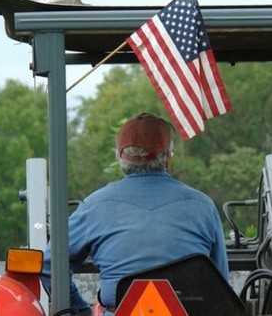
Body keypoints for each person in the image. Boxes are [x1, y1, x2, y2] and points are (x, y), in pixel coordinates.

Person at [40, 112, 229, 315]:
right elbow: (220, 284)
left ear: (120, 158)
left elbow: (49, 265)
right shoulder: (203, 206)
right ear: (167, 158)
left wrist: (81, 311)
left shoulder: (94, 206)